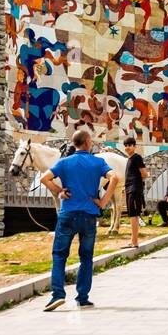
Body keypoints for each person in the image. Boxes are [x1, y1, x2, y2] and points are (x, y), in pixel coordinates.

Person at [38, 128, 118, 311]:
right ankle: (82, 297)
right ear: (88, 142)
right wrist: (103, 202)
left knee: (59, 255)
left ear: (74, 143)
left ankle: (57, 295)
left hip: (68, 213)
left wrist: (59, 191)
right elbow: (114, 177)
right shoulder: (98, 162)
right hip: (89, 214)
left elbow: (44, 178)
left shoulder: (64, 162)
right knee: (86, 257)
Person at [122, 136, 148, 248]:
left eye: (130, 145)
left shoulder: (137, 157)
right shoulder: (129, 159)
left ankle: (135, 241)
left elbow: (144, 174)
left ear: (135, 146)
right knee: (132, 215)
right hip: (129, 189)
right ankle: (133, 240)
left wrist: (136, 185)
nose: (128, 147)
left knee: (134, 215)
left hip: (134, 189)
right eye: (126, 145)